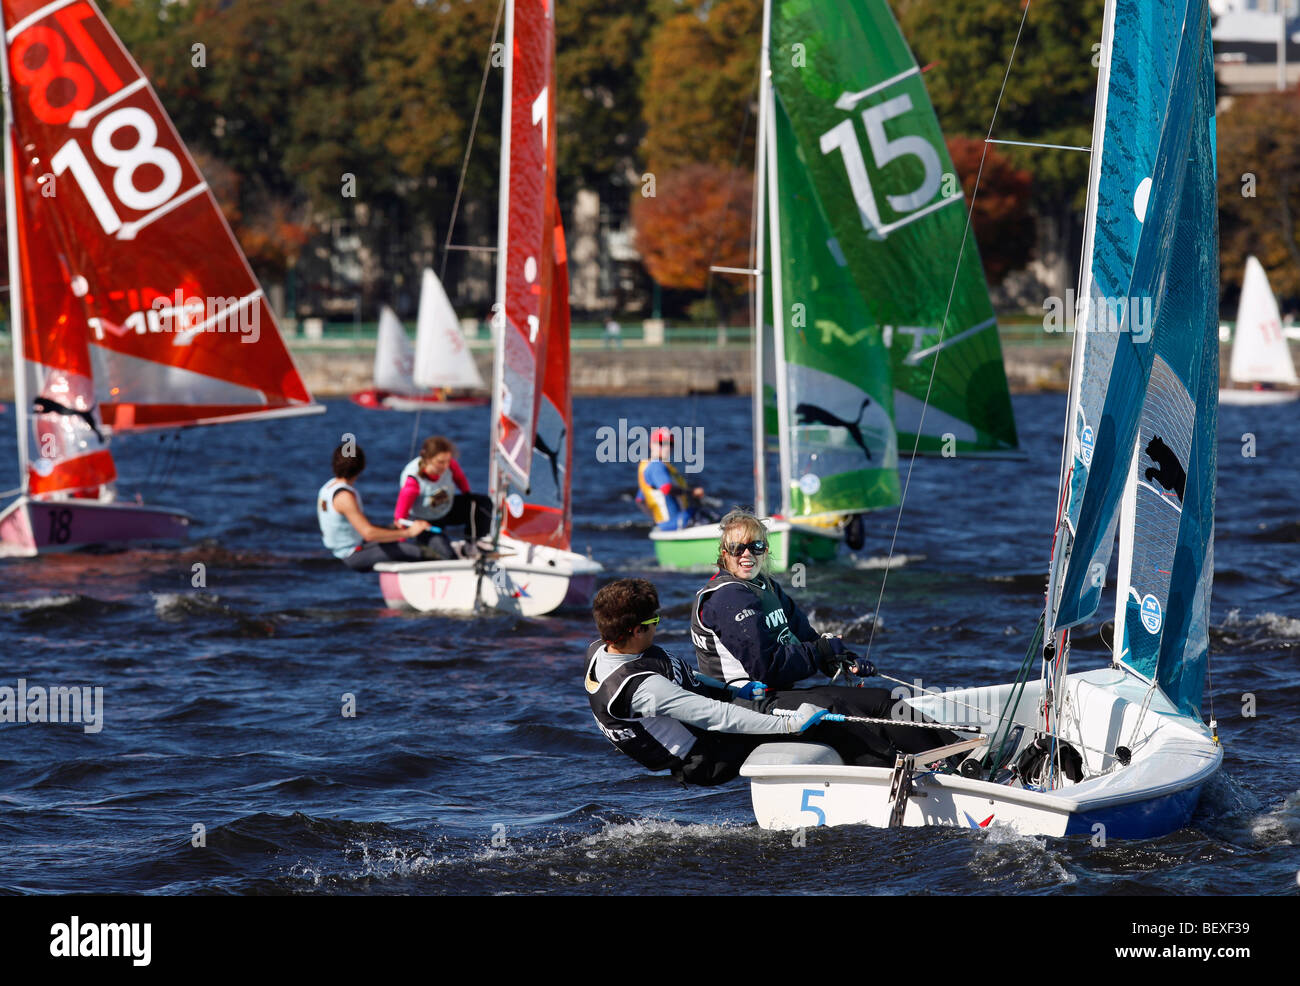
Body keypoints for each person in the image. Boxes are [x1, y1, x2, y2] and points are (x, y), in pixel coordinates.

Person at [689, 508, 956, 765]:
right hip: (748, 707)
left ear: (766, 550)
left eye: (756, 547)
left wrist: (838, 658)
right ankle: (905, 772)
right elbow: (766, 667)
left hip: (777, 695)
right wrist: (820, 653)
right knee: (841, 712)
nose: (747, 554)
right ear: (725, 554)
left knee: (881, 701)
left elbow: (807, 638)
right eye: (738, 548)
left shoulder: (766, 587)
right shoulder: (727, 597)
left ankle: (963, 755)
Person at [585, 578, 829, 786]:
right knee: (817, 727)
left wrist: (731, 689)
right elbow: (718, 716)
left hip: (709, 728)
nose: (658, 627)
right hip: (708, 758)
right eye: (654, 622)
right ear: (636, 630)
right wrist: (790, 725)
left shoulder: (600, 649)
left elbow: (681, 675)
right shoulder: (643, 689)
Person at [317, 442, 430, 572]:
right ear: (362, 466)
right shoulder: (344, 497)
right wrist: (409, 532)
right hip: (353, 554)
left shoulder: (327, 488)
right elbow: (368, 534)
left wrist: (392, 528)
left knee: (400, 541)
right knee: (417, 552)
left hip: (347, 547)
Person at [394, 436, 493, 553]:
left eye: (447, 461)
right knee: (447, 553)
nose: (445, 466)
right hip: (426, 522)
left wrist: (467, 495)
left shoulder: (450, 465)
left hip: (446, 510)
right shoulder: (413, 481)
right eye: (440, 462)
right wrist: (401, 542)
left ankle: (472, 544)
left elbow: (460, 479)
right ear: (427, 459)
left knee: (483, 503)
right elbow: (400, 519)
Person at [635, 428, 715, 531]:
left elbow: (640, 500)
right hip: (677, 522)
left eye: (670, 444)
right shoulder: (657, 466)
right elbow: (666, 488)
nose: (667, 447)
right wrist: (692, 492)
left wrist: (657, 521)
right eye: (662, 443)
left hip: (670, 524)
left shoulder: (648, 468)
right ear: (651, 445)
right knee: (715, 518)